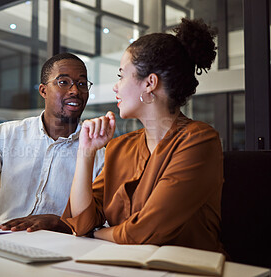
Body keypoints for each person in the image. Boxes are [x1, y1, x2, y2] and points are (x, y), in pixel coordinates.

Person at [61, 18, 225, 253]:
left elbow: (146, 232)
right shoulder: (119, 147)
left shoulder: (199, 140)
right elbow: (80, 223)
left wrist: (96, 234)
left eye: (121, 76)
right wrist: (85, 153)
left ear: (150, 83)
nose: (116, 87)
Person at [0, 53, 105, 228]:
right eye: (63, 82)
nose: (75, 91)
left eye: (82, 84)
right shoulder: (7, 134)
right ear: (43, 90)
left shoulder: (99, 153)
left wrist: (60, 223)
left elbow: (100, 220)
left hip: (61, 244)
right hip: (1, 235)